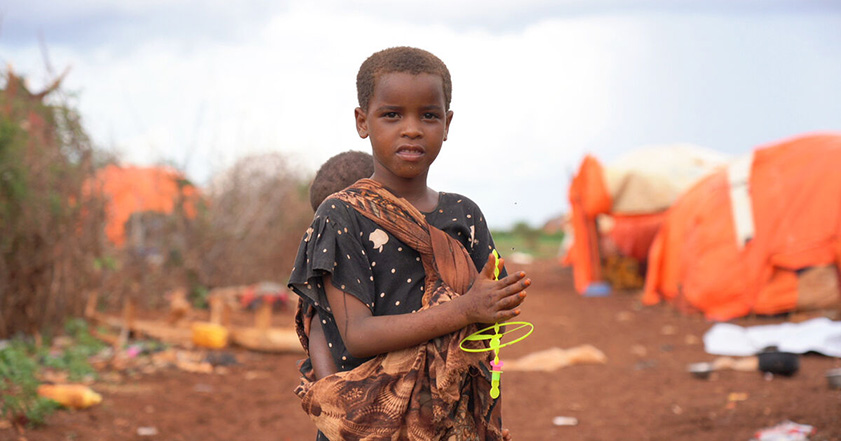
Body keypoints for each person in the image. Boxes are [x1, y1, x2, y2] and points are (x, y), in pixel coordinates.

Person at [288, 46, 529, 440]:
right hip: (367, 426)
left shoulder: (464, 215)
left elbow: (484, 329)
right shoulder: (341, 216)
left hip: (452, 421)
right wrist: (466, 309)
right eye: (392, 114)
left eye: (429, 115)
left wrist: (499, 302)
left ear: (447, 124)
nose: (412, 128)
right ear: (362, 122)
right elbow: (357, 335)